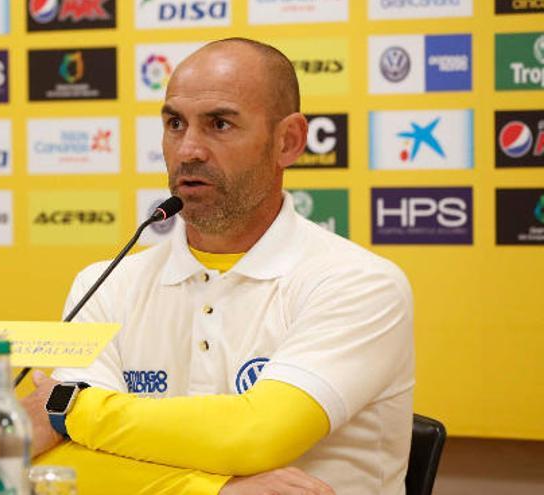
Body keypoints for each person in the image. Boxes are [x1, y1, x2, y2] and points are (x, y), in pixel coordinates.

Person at [21, 37, 414, 495]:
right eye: (174, 123)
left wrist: (69, 411)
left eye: (219, 124)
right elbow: (52, 465)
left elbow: (258, 434)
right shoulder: (102, 284)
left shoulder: (361, 284)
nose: (188, 150)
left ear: (288, 141)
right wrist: (214, 492)